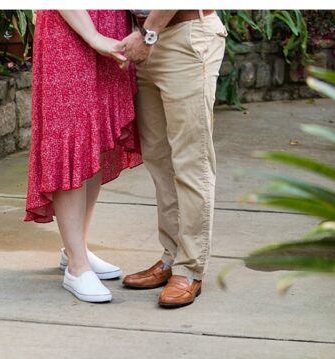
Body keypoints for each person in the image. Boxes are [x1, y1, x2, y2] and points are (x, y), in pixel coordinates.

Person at [26, 10, 144, 303]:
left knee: (95, 139)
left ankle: (76, 249)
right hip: (70, 30)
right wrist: (92, 35)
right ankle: (78, 268)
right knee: (73, 137)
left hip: (111, 26)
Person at [119, 10, 228, 307]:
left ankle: (190, 268)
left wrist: (148, 33)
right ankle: (172, 257)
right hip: (146, 40)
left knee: (191, 159)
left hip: (185, 36)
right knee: (160, 159)